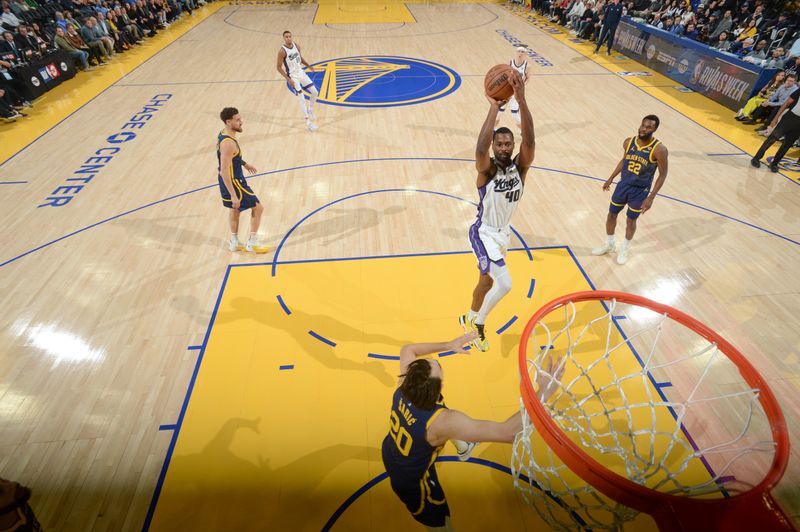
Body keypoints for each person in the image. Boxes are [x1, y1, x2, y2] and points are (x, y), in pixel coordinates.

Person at [381, 332, 562, 531]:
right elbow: (508, 432)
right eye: (439, 370)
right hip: (414, 482)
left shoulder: (404, 383)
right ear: (439, 386)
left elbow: (408, 349)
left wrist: (449, 343)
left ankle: (463, 446)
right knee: (442, 524)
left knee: (440, 414)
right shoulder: (443, 422)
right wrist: (543, 394)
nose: (434, 362)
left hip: (391, 450)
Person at [460, 72, 534, 352]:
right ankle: (479, 322)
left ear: (513, 146)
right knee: (505, 284)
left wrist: (521, 100)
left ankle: (467, 315)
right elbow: (479, 148)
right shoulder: (487, 170)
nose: (504, 147)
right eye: (499, 144)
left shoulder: (521, 167)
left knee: (486, 281)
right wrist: (494, 108)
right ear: (494, 147)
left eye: (508, 144)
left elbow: (531, 140)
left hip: (503, 235)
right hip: (483, 233)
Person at [592, 115, 669, 265]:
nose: (644, 129)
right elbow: (624, 160)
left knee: (631, 220)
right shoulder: (628, 142)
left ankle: (625, 248)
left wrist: (651, 197)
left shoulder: (659, 149)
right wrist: (611, 178)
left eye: (649, 127)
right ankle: (609, 244)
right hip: (623, 186)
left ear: (655, 129)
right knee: (611, 215)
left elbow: (663, 174)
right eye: (643, 125)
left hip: (640, 191)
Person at [217, 107, 268, 253]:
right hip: (234, 181)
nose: (241, 122)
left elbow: (231, 158)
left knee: (235, 209)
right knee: (258, 208)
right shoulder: (228, 143)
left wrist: (244, 164)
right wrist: (233, 194)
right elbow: (224, 169)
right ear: (228, 122)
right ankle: (252, 242)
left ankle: (234, 242)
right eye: (237, 120)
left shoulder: (223, 134)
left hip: (227, 179)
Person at [750, 86, 800, 173]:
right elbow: (787, 103)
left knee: (787, 145)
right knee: (772, 138)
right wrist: (776, 117)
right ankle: (756, 157)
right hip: (790, 118)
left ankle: (774, 163)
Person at [276, 30, 318, 132]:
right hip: (293, 76)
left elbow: (300, 58)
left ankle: (310, 109)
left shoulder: (297, 46)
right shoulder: (282, 51)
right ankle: (308, 123)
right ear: (284, 38)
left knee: (315, 92)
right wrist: (288, 79)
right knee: (302, 98)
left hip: (301, 73)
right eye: (286, 37)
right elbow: (278, 67)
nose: (288, 38)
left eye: (290, 36)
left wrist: (308, 65)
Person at [495, 46, 530, 129]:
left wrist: (521, 86)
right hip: (506, 91)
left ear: (525, 54)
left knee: (515, 115)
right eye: (519, 51)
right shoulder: (510, 62)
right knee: (498, 113)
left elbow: (528, 78)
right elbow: (504, 75)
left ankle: (523, 133)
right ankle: (493, 130)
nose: (520, 53)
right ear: (516, 52)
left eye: (522, 51)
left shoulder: (527, 66)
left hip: (516, 92)